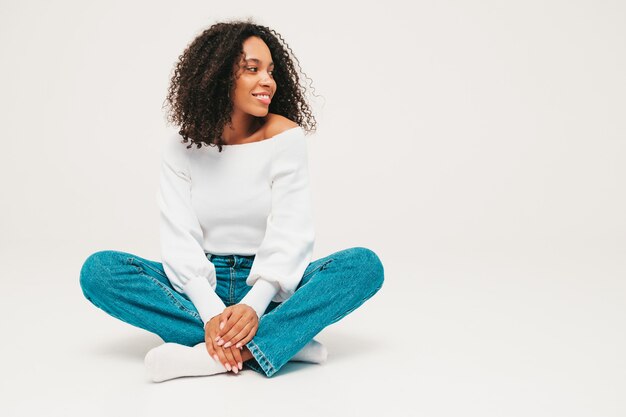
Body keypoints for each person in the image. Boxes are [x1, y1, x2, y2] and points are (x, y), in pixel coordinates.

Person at [79, 19, 384, 382]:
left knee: (364, 266)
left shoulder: (286, 138)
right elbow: (179, 239)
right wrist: (210, 312)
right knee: (99, 272)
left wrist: (256, 303)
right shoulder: (181, 147)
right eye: (252, 69)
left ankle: (218, 353)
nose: (267, 81)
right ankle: (278, 343)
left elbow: (291, 230)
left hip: (271, 284)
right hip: (201, 282)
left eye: (270, 70)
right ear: (219, 76)